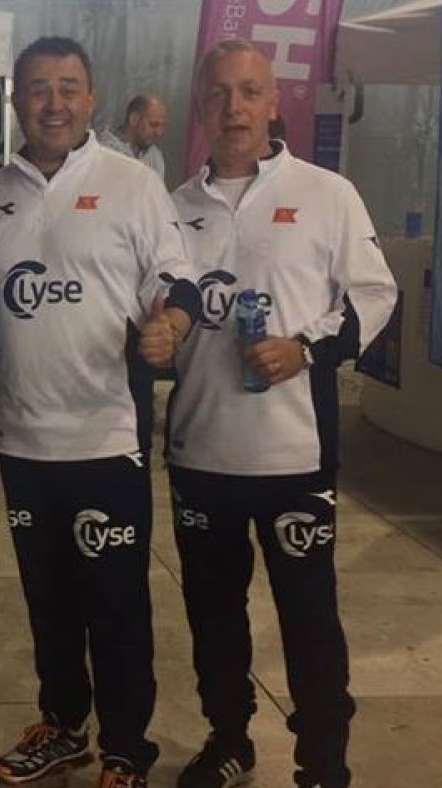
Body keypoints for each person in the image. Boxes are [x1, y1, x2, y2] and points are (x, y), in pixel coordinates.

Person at [0, 37, 198, 788]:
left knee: (116, 604)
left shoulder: (133, 184)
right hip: (24, 442)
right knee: (49, 602)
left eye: (68, 87)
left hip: (107, 439)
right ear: (17, 101)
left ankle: (127, 746)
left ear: (92, 100)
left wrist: (171, 328)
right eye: (38, 88)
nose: (54, 103)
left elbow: (178, 284)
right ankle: (63, 726)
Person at [165, 39, 397, 788]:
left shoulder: (328, 193)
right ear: (201, 107)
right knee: (213, 616)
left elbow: (375, 294)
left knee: (309, 619)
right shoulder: (174, 209)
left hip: (294, 459)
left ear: (273, 102)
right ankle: (229, 740)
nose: (234, 108)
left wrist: (305, 349)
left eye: (249, 92)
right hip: (200, 455)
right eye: (219, 94)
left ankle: (323, 764)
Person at [99, 94, 168, 185]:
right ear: (134, 119)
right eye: (153, 125)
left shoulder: (155, 156)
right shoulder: (103, 151)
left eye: (162, 126)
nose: (159, 133)